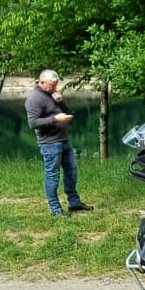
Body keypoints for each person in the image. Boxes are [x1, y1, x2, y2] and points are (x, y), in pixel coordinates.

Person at [26, 69, 92, 216]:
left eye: (56, 85)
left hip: (64, 140)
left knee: (71, 171)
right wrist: (55, 119)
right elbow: (33, 123)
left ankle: (74, 203)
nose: (54, 88)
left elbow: (69, 113)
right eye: (51, 86)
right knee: (52, 175)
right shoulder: (34, 98)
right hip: (50, 143)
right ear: (42, 82)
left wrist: (61, 102)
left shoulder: (53, 95)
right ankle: (55, 209)